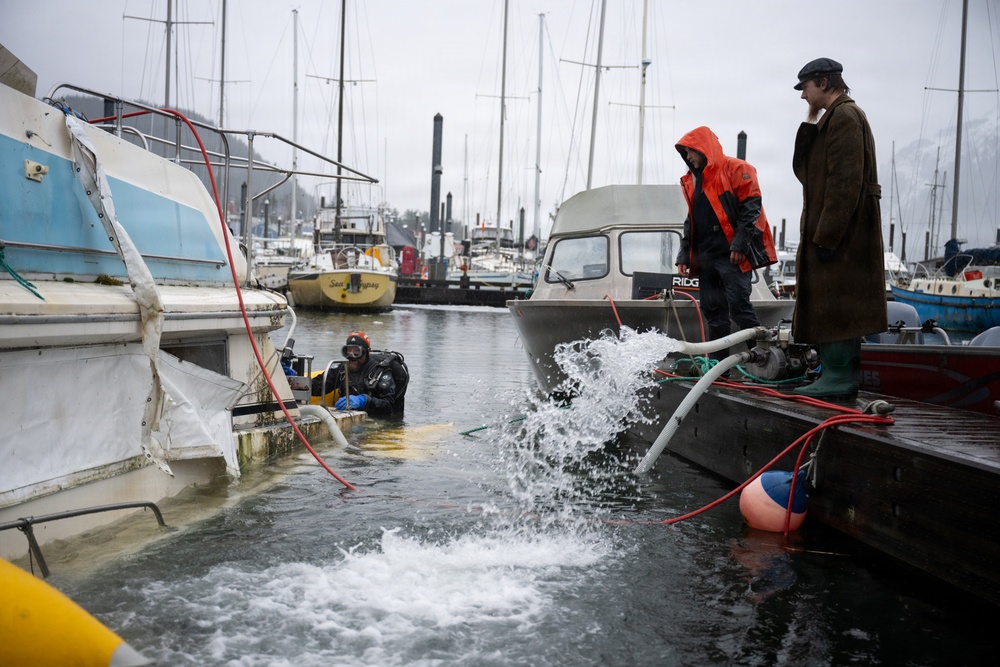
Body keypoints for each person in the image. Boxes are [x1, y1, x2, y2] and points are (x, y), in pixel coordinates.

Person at [791, 58, 887, 398]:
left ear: (823, 83)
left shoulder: (845, 116)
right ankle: (834, 375)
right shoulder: (834, 117)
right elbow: (806, 170)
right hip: (841, 233)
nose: (803, 95)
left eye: (805, 88)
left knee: (839, 304)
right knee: (835, 302)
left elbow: (844, 183)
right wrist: (811, 120)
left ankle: (839, 379)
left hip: (843, 237)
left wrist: (827, 237)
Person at [674, 126, 777, 369]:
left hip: (732, 256)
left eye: (690, 151)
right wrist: (684, 255)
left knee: (740, 308)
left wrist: (739, 245)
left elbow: (751, 210)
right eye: (685, 153)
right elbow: (691, 219)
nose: (688, 157)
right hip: (706, 257)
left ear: (702, 149)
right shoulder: (692, 180)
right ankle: (719, 369)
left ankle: (765, 364)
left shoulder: (737, 169)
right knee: (713, 312)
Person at [310, 331, 409, 416]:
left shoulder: (380, 372)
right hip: (348, 417)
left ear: (366, 352)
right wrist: (303, 384)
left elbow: (390, 407)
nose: (352, 356)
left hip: (375, 421)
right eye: (348, 351)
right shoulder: (342, 370)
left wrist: (366, 401)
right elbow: (319, 385)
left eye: (357, 351)